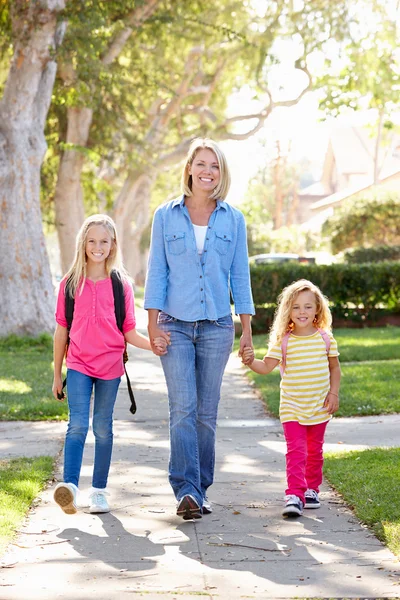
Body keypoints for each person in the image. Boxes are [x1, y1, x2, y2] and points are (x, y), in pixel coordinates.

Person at [144, 138, 255, 520]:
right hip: (174, 325)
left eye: (216, 166)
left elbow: (240, 276)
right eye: (202, 164)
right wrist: (152, 325)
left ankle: (201, 488)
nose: (208, 171)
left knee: (206, 413)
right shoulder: (166, 215)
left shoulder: (233, 219)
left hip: (217, 327)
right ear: (189, 167)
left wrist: (247, 331)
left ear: (221, 174)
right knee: (182, 409)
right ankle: (185, 490)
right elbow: (157, 271)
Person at [52, 214, 166, 515]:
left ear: (113, 245)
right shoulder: (70, 284)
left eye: (104, 241)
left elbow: (129, 331)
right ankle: (71, 488)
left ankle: (99, 492)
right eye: (92, 241)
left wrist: (153, 345)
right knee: (77, 424)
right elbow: (61, 331)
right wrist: (56, 375)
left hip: (110, 368)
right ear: (83, 244)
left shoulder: (121, 285)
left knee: (102, 427)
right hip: (77, 364)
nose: (97, 246)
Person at [243, 279, 341, 518]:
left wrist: (333, 393)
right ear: (288, 310)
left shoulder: (325, 339)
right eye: (296, 307)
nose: (302, 312)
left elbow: (335, 368)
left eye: (308, 306)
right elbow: (266, 367)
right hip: (291, 407)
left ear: (318, 308)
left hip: (319, 405)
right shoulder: (283, 341)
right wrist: (249, 361)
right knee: (296, 450)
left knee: (314, 451)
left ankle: (311, 490)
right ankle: (294, 495)